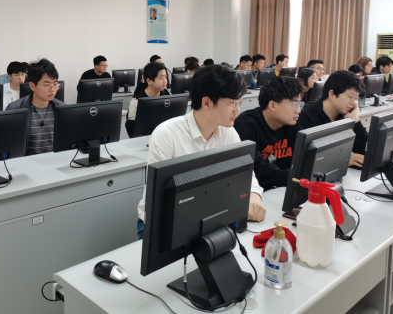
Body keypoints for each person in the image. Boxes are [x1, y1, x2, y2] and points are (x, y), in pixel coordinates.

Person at [136, 65, 266, 240]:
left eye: (239, 102)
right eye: (232, 103)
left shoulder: (228, 132)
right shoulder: (167, 134)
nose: (238, 110)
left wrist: (254, 196)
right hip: (163, 223)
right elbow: (158, 197)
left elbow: (246, 173)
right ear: (206, 102)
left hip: (209, 218)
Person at [234, 76, 306, 190]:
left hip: (282, 188)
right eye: (294, 105)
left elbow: (304, 155)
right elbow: (255, 169)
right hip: (255, 190)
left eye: (300, 105)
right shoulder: (246, 125)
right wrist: (295, 178)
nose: (298, 110)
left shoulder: (292, 123)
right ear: (272, 105)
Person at [298, 70, 367, 168]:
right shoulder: (305, 117)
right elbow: (304, 159)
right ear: (332, 94)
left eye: (355, 98)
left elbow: (365, 151)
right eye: (350, 97)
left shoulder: (344, 115)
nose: (353, 103)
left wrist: (355, 120)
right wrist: (343, 161)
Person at [6, 59, 65, 155]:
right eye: (47, 85)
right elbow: (8, 144)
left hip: (56, 159)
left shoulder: (62, 108)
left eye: (55, 84)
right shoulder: (15, 109)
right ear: (32, 86)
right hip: (26, 161)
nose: (53, 90)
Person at [125, 62, 170, 138]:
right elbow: (131, 130)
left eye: (165, 77)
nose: (165, 81)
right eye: (161, 78)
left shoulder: (168, 97)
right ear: (149, 81)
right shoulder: (136, 102)